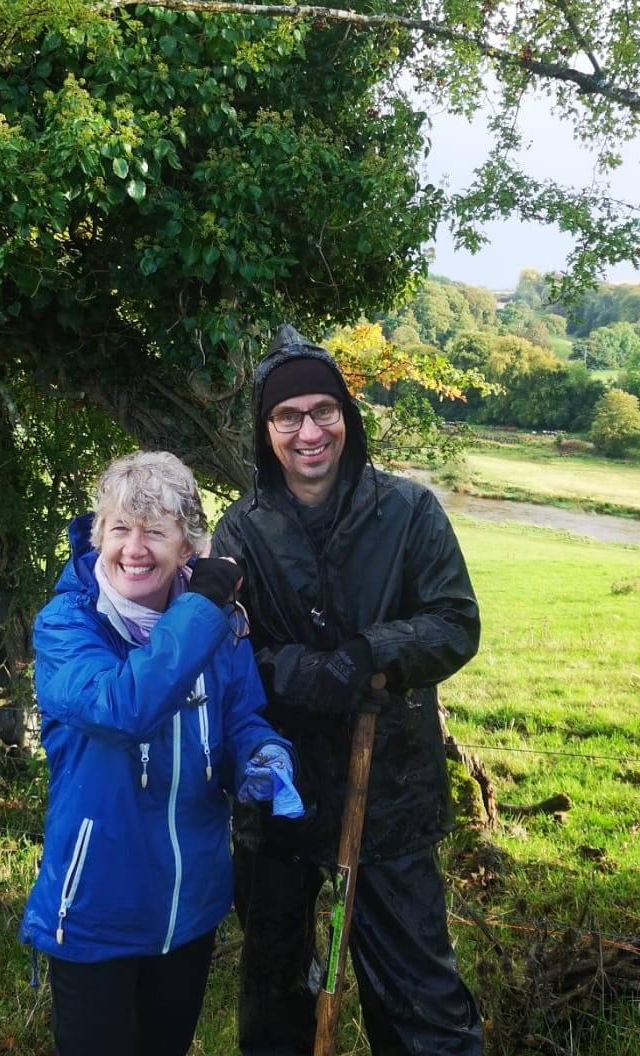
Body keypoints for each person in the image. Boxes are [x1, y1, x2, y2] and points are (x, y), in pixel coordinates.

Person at [214, 325, 484, 1055]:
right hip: (278, 790)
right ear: (267, 431)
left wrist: (372, 652)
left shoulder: (409, 511)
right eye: (288, 416)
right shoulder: (241, 528)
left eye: (323, 410)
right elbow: (226, 649)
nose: (310, 431)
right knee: (275, 992)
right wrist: (303, 671)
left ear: (347, 417)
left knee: (417, 991)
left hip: (388, 784)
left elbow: (456, 621)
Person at [20, 450, 303, 1056]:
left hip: (190, 909)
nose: (134, 548)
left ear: (188, 547)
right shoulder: (67, 627)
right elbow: (124, 708)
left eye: (155, 531)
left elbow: (240, 720)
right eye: (119, 529)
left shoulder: (217, 625)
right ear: (99, 538)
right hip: (97, 909)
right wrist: (202, 607)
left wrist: (264, 756)